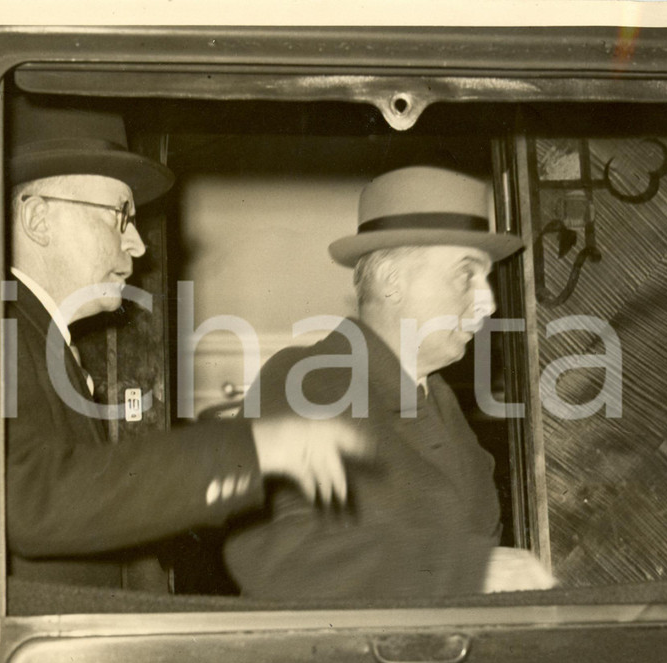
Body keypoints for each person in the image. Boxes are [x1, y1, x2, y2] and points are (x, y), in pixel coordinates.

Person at [3, 94, 368, 590]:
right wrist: (251, 448)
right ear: (38, 220)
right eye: (119, 216)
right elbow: (34, 498)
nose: (137, 243)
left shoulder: (40, 336)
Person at [224, 166, 554, 599]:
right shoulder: (309, 380)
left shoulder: (439, 402)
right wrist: (467, 571)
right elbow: (272, 555)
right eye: (465, 275)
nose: (488, 302)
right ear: (393, 281)